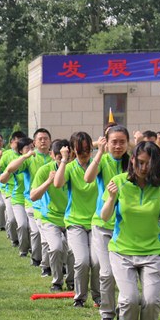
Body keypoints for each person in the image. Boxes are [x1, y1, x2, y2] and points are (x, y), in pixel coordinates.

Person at [100, 141, 160, 320]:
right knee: (130, 299)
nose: (144, 168)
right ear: (132, 160)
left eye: (149, 165)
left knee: (152, 300)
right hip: (122, 251)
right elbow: (104, 216)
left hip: (151, 251)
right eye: (140, 163)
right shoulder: (118, 182)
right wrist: (112, 198)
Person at [84, 125, 130, 320]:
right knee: (107, 272)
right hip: (103, 224)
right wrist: (99, 152)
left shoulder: (134, 162)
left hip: (126, 226)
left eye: (122, 142)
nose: (118, 146)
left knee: (124, 274)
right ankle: (107, 313)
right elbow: (88, 178)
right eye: (114, 142)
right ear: (106, 142)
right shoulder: (102, 160)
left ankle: (123, 311)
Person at [53, 131, 100, 308]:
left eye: (88, 149)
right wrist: (64, 159)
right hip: (75, 222)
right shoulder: (70, 167)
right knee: (82, 261)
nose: (84, 154)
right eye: (80, 150)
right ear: (73, 150)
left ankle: (98, 296)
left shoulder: (98, 165)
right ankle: (80, 297)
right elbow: (57, 184)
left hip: (96, 222)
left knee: (96, 262)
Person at [30, 139, 74, 293]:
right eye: (60, 157)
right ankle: (57, 281)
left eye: (67, 158)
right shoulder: (44, 170)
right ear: (53, 156)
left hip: (71, 218)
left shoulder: (75, 169)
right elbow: (33, 196)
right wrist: (49, 181)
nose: (64, 161)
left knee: (72, 250)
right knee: (56, 248)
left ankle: (72, 281)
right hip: (50, 218)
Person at [0, 136, 34, 257]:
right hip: (18, 198)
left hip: (32, 199)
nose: (31, 150)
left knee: (32, 227)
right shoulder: (19, 162)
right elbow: (3, 177)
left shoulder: (37, 160)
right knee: (22, 225)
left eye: (32, 147)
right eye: (28, 148)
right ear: (21, 151)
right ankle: (23, 249)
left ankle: (33, 249)